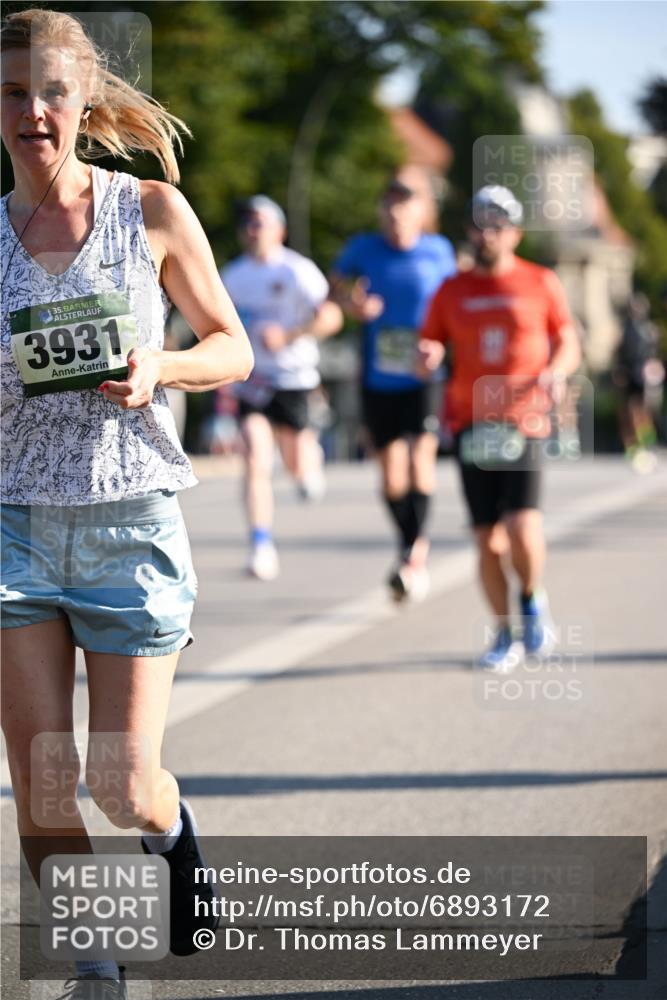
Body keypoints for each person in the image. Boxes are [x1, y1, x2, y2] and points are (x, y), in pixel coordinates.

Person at [0, 9, 253, 997]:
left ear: (85, 102)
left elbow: (233, 344)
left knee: (123, 785)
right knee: (43, 782)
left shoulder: (146, 211)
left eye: (51, 92)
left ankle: (172, 831)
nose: (33, 112)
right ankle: (94, 966)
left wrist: (165, 365)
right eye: (13, 94)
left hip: (129, 523)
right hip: (13, 526)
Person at [419, 185, 581, 671]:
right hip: (471, 423)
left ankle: (532, 600)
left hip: (525, 417)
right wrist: (430, 354)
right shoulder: (452, 289)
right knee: (487, 538)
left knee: (522, 525)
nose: (488, 233)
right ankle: (503, 631)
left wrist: (557, 370)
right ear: (469, 230)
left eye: (498, 224)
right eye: (480, 224)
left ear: (515, 232)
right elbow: (431, 340)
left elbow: (567, 338)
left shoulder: (540, 281)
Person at [330, 167, 456, 601]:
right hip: (378, 375)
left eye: (406, 202)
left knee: (421, 460)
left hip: (424, 374)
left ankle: (412, 553)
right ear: (383, 210)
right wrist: (354, 304)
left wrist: (441, 346)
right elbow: (335, 290)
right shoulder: (363, 249)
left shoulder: (439, 252)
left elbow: (454, 305)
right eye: (391, 202)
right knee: (390, 478)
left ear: (421, 211)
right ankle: (411, 543)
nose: (397, 211)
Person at [221, 195, 342, 580]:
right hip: (253, 381)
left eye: (261, 222)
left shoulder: (298, 271)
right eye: (248, 223)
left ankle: (309, 462)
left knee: (294, 465)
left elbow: (331, 318)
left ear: (280, 229)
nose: (253, 229)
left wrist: (290, 335)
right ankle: (260, 544)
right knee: (255, 457)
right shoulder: (233, 276)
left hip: (294, 378)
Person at [612, 291, 664, 473]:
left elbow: (653, 355)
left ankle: (647, 444)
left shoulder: (649, 330)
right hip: (628, 373)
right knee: (628, 412)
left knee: (643, 411)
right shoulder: (625, 329)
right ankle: (633, 448)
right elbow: (618, 353)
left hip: (643, 374)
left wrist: (654, 368)